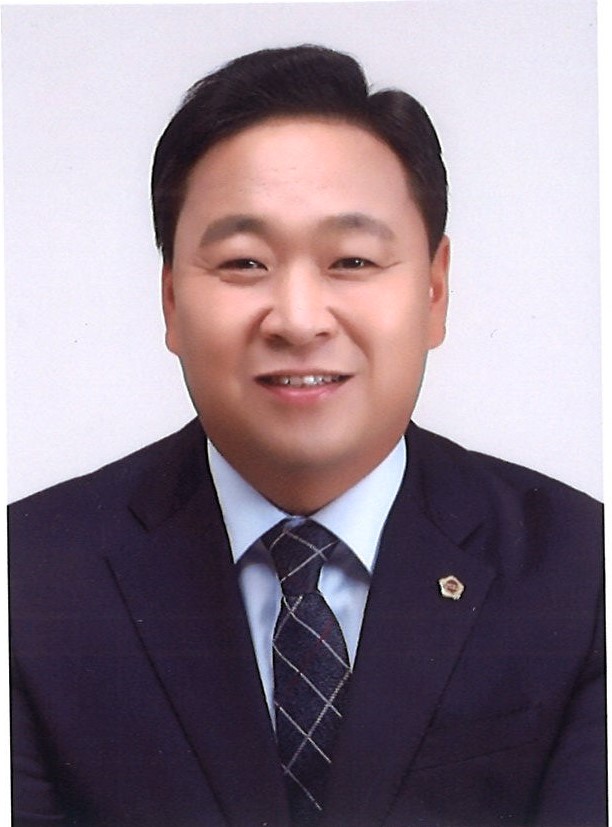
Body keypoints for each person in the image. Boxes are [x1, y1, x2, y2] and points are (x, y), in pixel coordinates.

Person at [9, 45, 605, 827]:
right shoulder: (29, 580)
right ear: (171, 301)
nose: (296, 319)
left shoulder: (579, 571)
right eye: (244, 262)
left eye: (351, 259)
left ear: (433, 289)